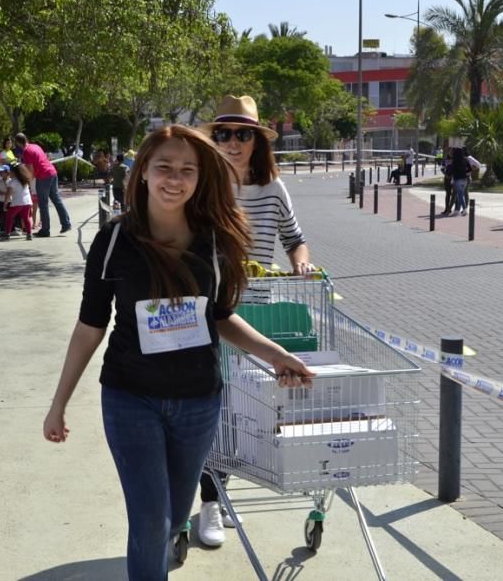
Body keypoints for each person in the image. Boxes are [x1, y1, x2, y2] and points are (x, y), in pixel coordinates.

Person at [43, 126, 314, 581]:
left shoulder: (216, 241)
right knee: (149, 521)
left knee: (172, 518)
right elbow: (91, 325)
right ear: (143, 171)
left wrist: (275, 354)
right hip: (131, 399)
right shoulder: (112, 240)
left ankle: (170, 539)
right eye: (164, 167)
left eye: (187, 170)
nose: (175, 178)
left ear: (200, 178)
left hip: (198, 402)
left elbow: (222, 316)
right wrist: (59, 403)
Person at [198, 94, 313, 546]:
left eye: (242, 134)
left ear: (256, 141)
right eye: (223, 134)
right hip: (211, 310)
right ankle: (210, 502)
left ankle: (219, 495)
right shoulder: (203, 185)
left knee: (245, 406)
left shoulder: (272, 189)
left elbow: (295, 240)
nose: (232, 142)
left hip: (259, 310)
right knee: (217, 406)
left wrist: (301, 263)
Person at [14, 133, 71, 238]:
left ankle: (45, 230)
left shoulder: (26, 151)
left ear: (18, 142)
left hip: (43, 176)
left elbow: (30, 170)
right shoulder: (35, 146)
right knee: (56, 199)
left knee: (43, 204)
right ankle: (66, 223)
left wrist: (26, 182)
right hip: (52, 172)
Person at [0, 162, 34, 240]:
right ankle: (29, 234)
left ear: (14, 172)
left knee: (9, 217)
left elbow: (8, 194)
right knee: (26, 218)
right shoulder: (25, 180)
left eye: (10, 171)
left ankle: (7, 233)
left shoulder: (12, 182)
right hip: (27, 202)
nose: (9, 173)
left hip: (17, 202)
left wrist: (5, 204)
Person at [448, 147, 472, 216]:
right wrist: (465, 173)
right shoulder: (465, 160)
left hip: (457, 179)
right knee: (459, 195)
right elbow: (470, 170)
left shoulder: (455, 161)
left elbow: (451, 170)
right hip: (465, 179)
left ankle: (464, 209)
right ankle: (457, 210)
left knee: (460, 195)